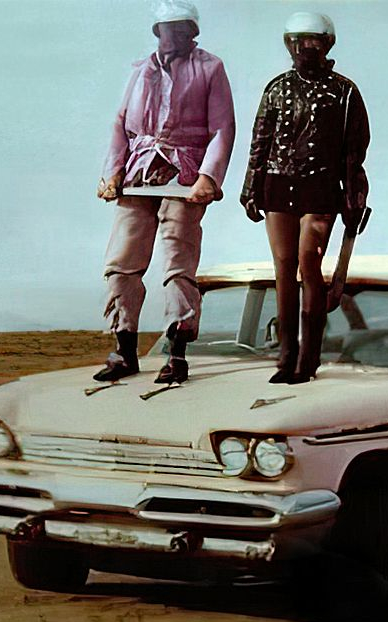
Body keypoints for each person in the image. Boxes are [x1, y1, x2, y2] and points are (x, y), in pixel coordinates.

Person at [94, 0, 235, 384]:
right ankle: (123, 351)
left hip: (184, 175)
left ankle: (176, 354)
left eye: (181, 28)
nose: (174, 35)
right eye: (167, 28)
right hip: (138, 175)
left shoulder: (210, 68)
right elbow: (120, 124)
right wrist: (112, 173)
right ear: (157, 32)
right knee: (122, 259)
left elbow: (222, 128)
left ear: (193, 32)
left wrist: (209, 177)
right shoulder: (140, 70)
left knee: (177, 261)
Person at [241, 12, 370, 384]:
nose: (305, 48)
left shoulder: (345, 92)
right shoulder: (276, 88)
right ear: (288, 44)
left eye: (313, 41)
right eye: (298, 41)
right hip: (277, 183)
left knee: (308, 264)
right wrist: (250, 187)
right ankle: (286, 357)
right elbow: (260, 140)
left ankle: (308, 358)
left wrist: (354, 194)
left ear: (327, 43)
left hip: (321, 187)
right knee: (283, 267)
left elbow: (355, 150)